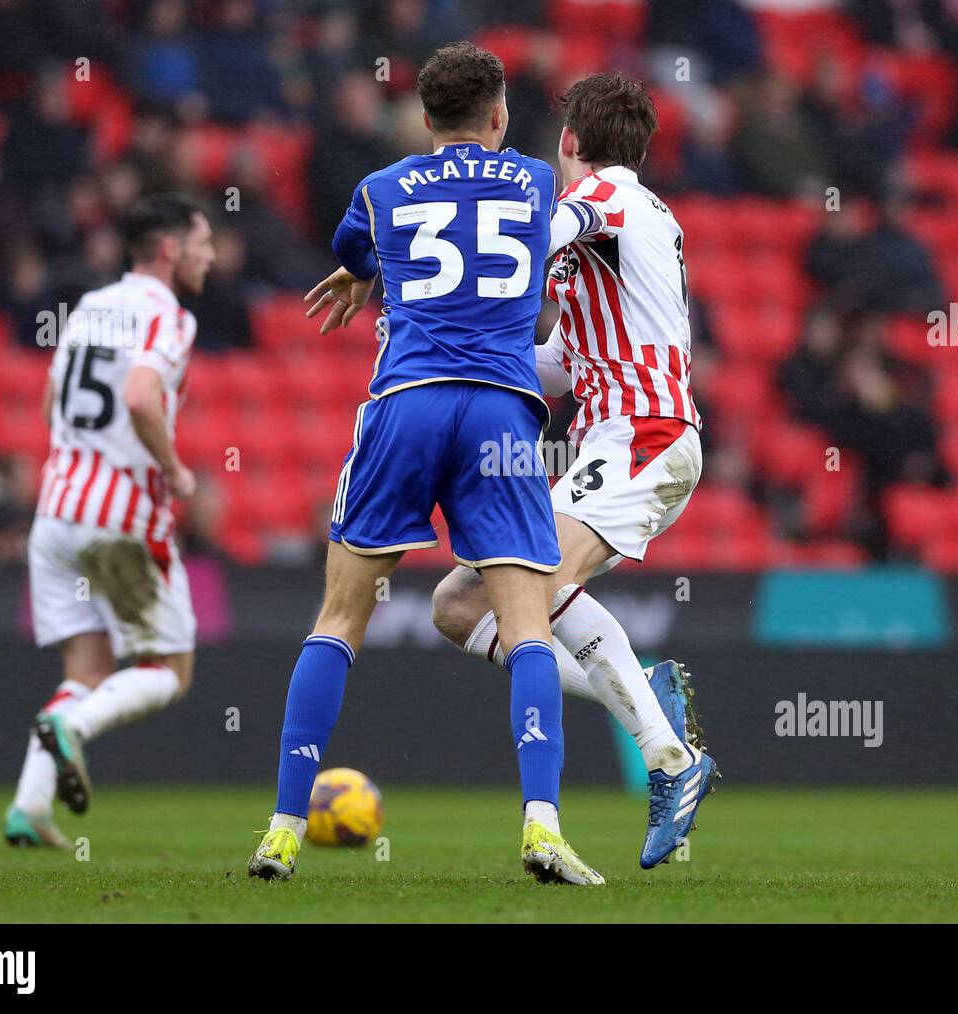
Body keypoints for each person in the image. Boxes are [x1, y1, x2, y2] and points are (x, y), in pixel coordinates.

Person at [248, 43, 613, 885]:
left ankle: (281, 829)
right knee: (527, 625)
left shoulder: (379, 189)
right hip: (500, 414)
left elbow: (362, 250)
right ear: (499, 116)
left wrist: (359, 271)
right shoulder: (534, 181)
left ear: (423, 119)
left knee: (338, 619)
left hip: (405, 406)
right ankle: (543, 827)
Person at [430, 73, 717, 869]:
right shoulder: (622, 225)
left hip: (645, 436)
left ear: (570, 144)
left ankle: (669, 757)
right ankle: (652, 710)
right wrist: (471, 363)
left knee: (535, 585)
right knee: (458, 605)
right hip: (607, 441)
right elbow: (560, 365)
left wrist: (442, 276)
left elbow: (540, 232)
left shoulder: (613, 202)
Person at [5, 194, 214, 847]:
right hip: (121, 512)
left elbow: (47, 406)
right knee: (167, 671)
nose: (211, 254)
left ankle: (30, 810)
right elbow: (139, 395)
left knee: (87, 674)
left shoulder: (89, 307)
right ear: (171, 248)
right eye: (203, 241)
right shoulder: (170, 318)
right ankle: (75, 731)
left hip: (57, 511)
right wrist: (175, 470)